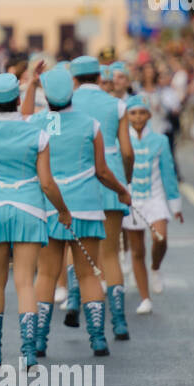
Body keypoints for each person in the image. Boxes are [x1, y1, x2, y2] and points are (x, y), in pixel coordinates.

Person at [0, 67, 70, 371]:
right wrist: (62, 210)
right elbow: (47, 182)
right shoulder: (38, 133)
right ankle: (28, 352)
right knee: (25, 282)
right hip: (30, 208)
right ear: (18, 98)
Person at [27, 68, 131, 358]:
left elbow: (23, 117)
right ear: (71, 91)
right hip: (86, 205)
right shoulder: (91, 125)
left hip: (48, 207)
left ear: (46, 95)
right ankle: (98, 339)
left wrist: (32, 84)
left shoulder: (37, 123)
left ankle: (39, 341)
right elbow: (101, 171)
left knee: (46, 274)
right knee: (88, 275)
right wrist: (121, 190)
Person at [67, 56, 135, 340]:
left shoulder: (67, 104)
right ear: (98, 77)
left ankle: (73, 297)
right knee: (110, 253)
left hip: (78, 179)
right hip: (112, 177)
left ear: (74, 80)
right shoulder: (117, 105)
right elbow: (127, 151)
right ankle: (118, 321)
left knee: (77, 247)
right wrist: (125, 181)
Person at [122, 94, 183, 315]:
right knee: (137, 250)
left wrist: (175, 205)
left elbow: (169, 173)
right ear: (127, 116)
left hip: (155, 197)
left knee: (161, 238)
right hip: (131, 200)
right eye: (133, 113)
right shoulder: (122, 140)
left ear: (148, 115)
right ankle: (145, 297)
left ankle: (156, 267)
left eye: (141, 112)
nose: (137, 117)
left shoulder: (160, 141)